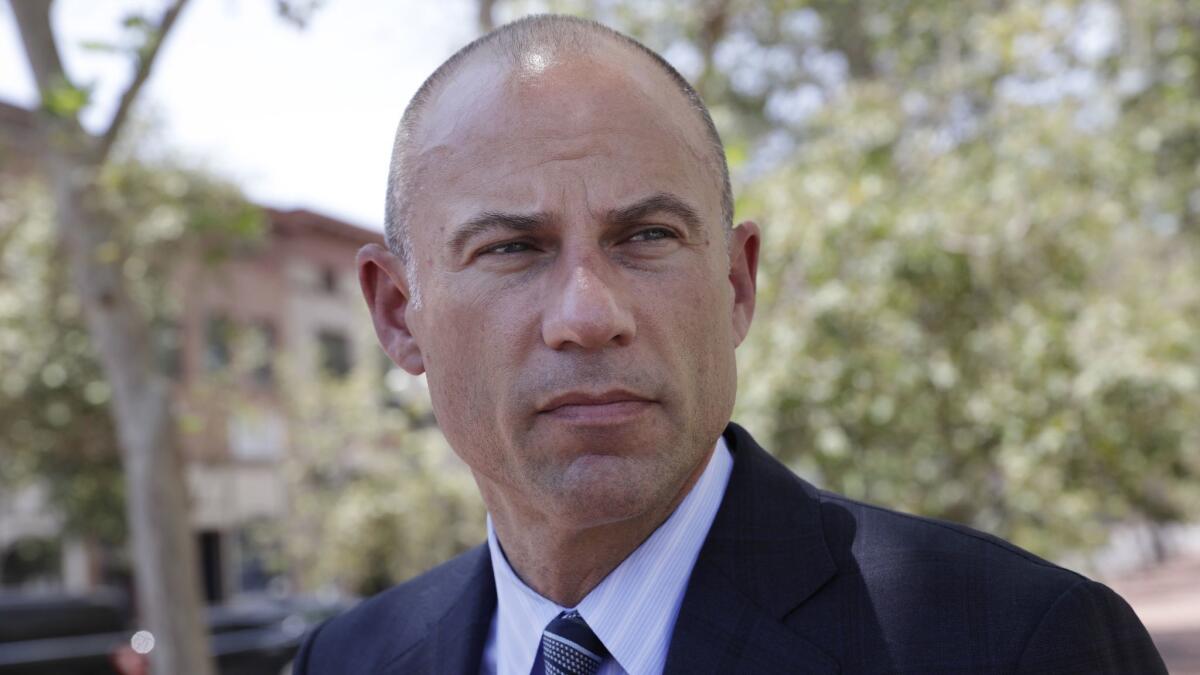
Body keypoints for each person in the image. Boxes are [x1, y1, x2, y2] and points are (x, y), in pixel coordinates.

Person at [295, 14, 1165, 675]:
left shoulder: (1015, 641)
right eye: (513, 247)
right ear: (400, 314)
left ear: (737, 285)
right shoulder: (342, 660)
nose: (589, 314)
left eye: (646, 236)